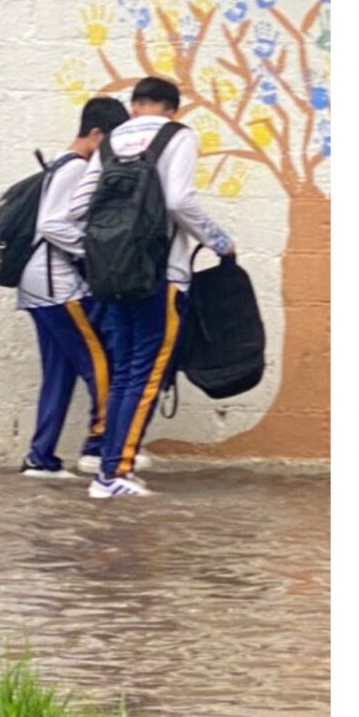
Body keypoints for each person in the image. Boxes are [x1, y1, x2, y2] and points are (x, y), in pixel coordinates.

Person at [50, 76, 236, 500]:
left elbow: (79, 207)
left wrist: (105, 247)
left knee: (123, 375)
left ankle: (113, 466)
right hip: (162, 275)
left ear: (135, 105)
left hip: (113, 276)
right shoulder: (178, 136)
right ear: (173, 108)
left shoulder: (111, 140)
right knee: (146, 374)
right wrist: (220, 242)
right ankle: (112, 474)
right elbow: (178, 201)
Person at [16, 97, 125, 479]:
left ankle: (40, 458)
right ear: (95, 134)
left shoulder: (61, 164)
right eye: (111, 141)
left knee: (59, 372)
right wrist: (94, 251)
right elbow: (51, 224)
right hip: (56, 287)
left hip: (38, 285)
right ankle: (98, 447)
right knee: (101, 364)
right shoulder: (78, 168)